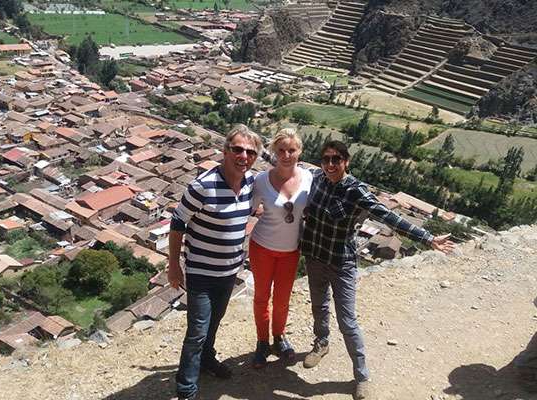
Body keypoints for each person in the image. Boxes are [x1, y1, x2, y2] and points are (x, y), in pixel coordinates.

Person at [300, 140, 455, 400]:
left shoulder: (356, 191)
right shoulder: (316, 179)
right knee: (319, 307)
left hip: (341, 263)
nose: (329, 164)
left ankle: (361, 375)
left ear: (346, 161)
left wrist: (428, 238)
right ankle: (321, 343)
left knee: (348, 322)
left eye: (335, 159)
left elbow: (389, 217)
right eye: (325, 159)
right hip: (314, 258)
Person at [168, 124, 262, 400]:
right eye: (237, 149)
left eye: (250, 152)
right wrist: (174, 266)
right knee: (197, 331)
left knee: (214, 322)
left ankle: (207, 361)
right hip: (200, 272)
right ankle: (186, 389)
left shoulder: (250, 185)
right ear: (225, 151)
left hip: (229, 271)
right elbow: (177, 222)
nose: (243, 156)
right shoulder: (202, 186)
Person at [249, 128, 313, 368]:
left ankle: (279, 337)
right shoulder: (261, 180)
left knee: (283, 299)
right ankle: (262, 342)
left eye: (292, 150)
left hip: (290, 250)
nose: (286, 155)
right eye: (281, 150)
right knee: (261, 297)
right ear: (274, 151)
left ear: (300, 151)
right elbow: (248, 208)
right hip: (262, 246)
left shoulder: (308, 178)